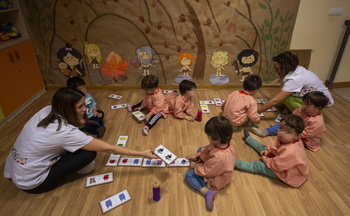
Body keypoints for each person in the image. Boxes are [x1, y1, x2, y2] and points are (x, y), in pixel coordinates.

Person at [4, 88, 156, 194]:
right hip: (32, 182)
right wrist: (142, 153)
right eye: (80, 106)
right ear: (67, 108)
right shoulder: (64, 132)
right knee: (88, 156)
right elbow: (108, 148)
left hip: (17, 168)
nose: (85, 108)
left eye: (84, 104)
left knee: (81, 143)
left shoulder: (46, 110)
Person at [235, 114, 309, 188]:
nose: (281, 133)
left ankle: (234, 163)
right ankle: (249, 139)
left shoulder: (291, 152)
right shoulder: (287, 139)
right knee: (264, 148)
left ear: (297, 136)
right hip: (281, 160)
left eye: (288, 132)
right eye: (281, 128)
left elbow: (277, 166)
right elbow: (275, 146)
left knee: (259, 166)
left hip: (287, 173)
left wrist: (266, 160)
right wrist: (268, 150)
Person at [257, 51, 334, 114]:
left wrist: (257, 111)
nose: (275, 71)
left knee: (286, 99)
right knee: (281, 100)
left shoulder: (295, 79)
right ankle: (289, 108)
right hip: (310, 93)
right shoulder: (294, 69)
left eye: (277, 68)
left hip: (321, 102)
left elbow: (276, 100)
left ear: (286, 67)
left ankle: (305, 115)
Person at [185, 116, 235, 211]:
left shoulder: (219, 158)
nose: (209, 139)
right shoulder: (224, 144)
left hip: (215, 176)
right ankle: (200, 159)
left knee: (189, 175)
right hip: (215, 165)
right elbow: (209, 148)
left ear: (219, 138)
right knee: (201, 149)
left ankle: (207, 192)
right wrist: (198, 154)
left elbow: (206, 172)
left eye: (211, 137)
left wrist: (195, 166)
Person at [251, 91, 329, 152]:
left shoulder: (317, 122)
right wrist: (286, 125)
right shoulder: (302, 109)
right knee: (283, 124)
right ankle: (265, 132)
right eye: (303, 103)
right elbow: (292, 116)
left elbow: (305, 134)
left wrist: (287, 132)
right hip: (295, 129)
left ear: (318, 108)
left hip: (306, 139)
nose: (304, 106)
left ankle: (276, 149)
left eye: (307, 105)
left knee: (288, 142)